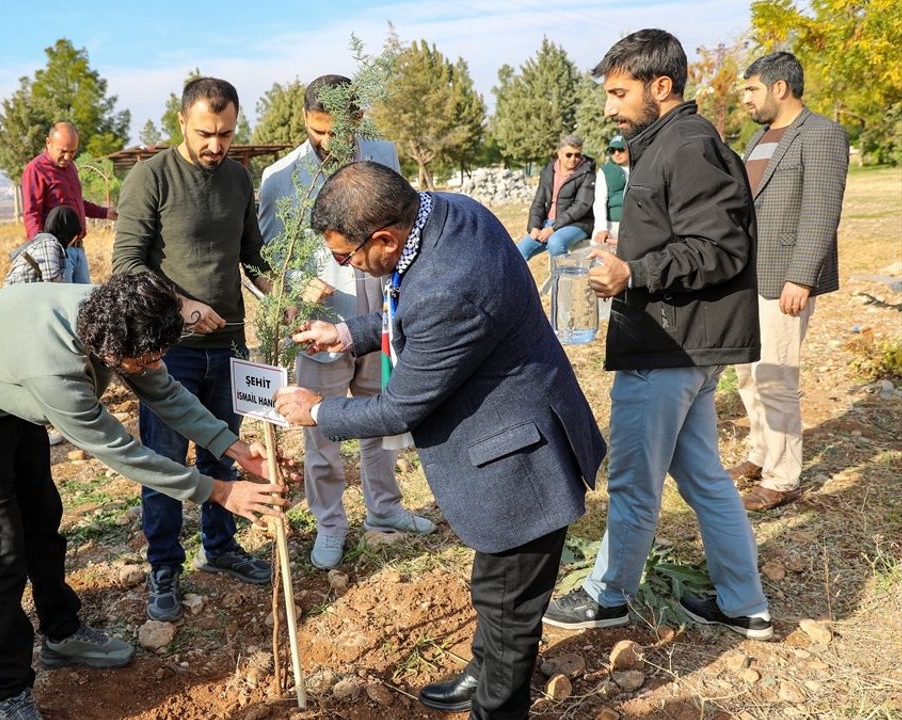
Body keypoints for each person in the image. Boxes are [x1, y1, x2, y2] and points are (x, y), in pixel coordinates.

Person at [274, 161, 607, 719]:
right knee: (495, 588)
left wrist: (319, 411)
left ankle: (496, 705)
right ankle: (484, 672)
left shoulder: (449, 286)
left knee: (510, 612)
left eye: (346, 256)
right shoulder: (443, 213)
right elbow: (406, 310)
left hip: (519, 461)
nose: (345, 266)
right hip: (505, 435)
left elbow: (403, 404)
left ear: (383, 236)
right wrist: (348, 333)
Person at [0, 272, 289, 720]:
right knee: (4, 550)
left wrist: (234, 447)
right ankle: (10, 691)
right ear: (111, 353)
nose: (156, 363)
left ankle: (62, 633)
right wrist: (219, 490)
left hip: (10, 394)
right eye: (147, 357)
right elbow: (122, 452)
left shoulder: (121, 314)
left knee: (43, 524)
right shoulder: (55, 370)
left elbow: (164, 390)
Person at [542, 29, 774, 642]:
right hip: (684, 342)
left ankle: (608, 595)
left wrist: (635, 272)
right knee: (702, 477)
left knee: (633, 481)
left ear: (661, 86)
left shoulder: (687, 145)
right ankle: (744, 601)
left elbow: (721, 248)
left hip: (670, 345)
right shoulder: (665, 143)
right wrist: (628, 247)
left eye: (619, 92)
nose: (609, 106)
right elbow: (685, 234)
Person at [111, 77, 275, 623]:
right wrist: (180, 305)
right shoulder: (150, 177)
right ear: (182, 121)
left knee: (222, 450)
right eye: (206, 133)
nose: (216, 145)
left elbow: (252, 256)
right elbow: (128, 266)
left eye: (226, 134)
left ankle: (221, 548)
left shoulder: (237, 178)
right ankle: (164, 569)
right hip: (166, 349)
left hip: (228, 342)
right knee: (163, 462)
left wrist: (284, 297)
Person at [258, 74, 434, 570]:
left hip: (380, 315)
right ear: (305, 121)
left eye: (338, 131)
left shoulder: (384, 155)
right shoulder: (280, 177)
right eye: (318, 132)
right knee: (320, 429)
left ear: (358, 119)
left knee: (380, 415)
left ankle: (385, 510)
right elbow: (270, 256)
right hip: (320, 322)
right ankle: (330, 524)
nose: (328, 143)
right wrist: (294, 289)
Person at [729, 51, 849, 511]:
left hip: (785, 281)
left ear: (780, 88)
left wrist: (802, 277)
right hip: (748, 277)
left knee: (776, 377)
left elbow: (821, 211)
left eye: (752, 89)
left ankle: (782, 477)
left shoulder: (821, 134)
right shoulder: (760, 138)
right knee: (748, 375)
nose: (745, 98)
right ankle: (761, 453)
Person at [21, 121, 117, 284]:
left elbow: (78, 203)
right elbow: (32, 213)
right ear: (48, 142)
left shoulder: (71, 167)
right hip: (56, 254)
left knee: (85, 303)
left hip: (78, 250)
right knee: (63, 304)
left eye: (72, 152)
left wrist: (105, 213)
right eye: (63, 151)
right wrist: (42, 252)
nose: (67, 157)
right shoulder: (36, 170)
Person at [516, 134, 596, 261]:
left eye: (577, 155)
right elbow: (539, 202)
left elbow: (581, 206)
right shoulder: (548, 171)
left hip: (578, 223)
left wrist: (553, 228)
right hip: (549, 224)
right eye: (569, 155)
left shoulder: (587, 172)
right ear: (559, 153)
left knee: (555, 243)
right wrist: (534, 227)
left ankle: (562, 280)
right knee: (520, 251)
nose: (573, 159)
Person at [6, 206, 83, 285]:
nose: (73, 240)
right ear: (69, 233)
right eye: (74, 236)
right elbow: (53, 281)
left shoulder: (44, 241)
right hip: (19, 293)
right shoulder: (49, 244)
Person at [591, 134, 628, 246]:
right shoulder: (605, 171)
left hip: (635, 224)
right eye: (612, 150)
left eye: (621, 149)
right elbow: (599, 201)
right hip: (611, 223)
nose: (616, 153)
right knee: (598, 247)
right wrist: (602, 228)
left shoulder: (640, 167)